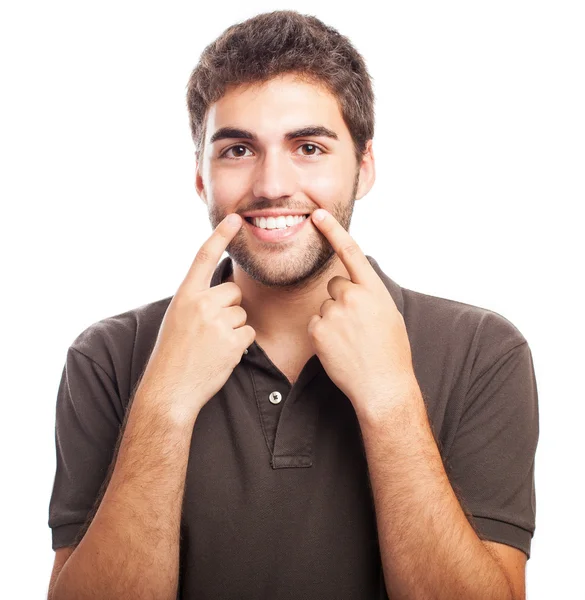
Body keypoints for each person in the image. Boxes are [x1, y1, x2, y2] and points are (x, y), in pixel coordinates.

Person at [47, 10, 538, 600]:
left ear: (363, 167)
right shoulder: (107, 356)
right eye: (236, 150)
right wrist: (165, 404)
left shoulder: (483, 351)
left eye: (308, 146)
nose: (273, 183)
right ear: (201, 178)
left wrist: (390, 399)